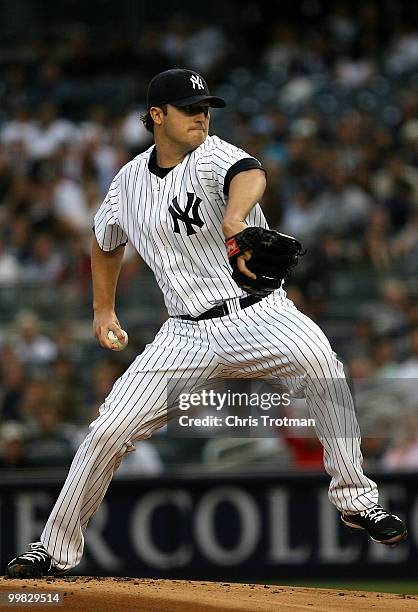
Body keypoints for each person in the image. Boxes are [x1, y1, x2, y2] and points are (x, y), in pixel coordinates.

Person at [6, 68, 406, 578]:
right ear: (157, 116)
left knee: (320, 363)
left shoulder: (212, 155)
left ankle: (356, 498)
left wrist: (237, 219)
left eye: (205, 107)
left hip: (257, 312)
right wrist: (102, 310)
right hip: (184, 334)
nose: (202, 116)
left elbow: (250, 173)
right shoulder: (127, 182)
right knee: (108, 431)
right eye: (189, 109)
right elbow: (105, 240)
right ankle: (54, 550)